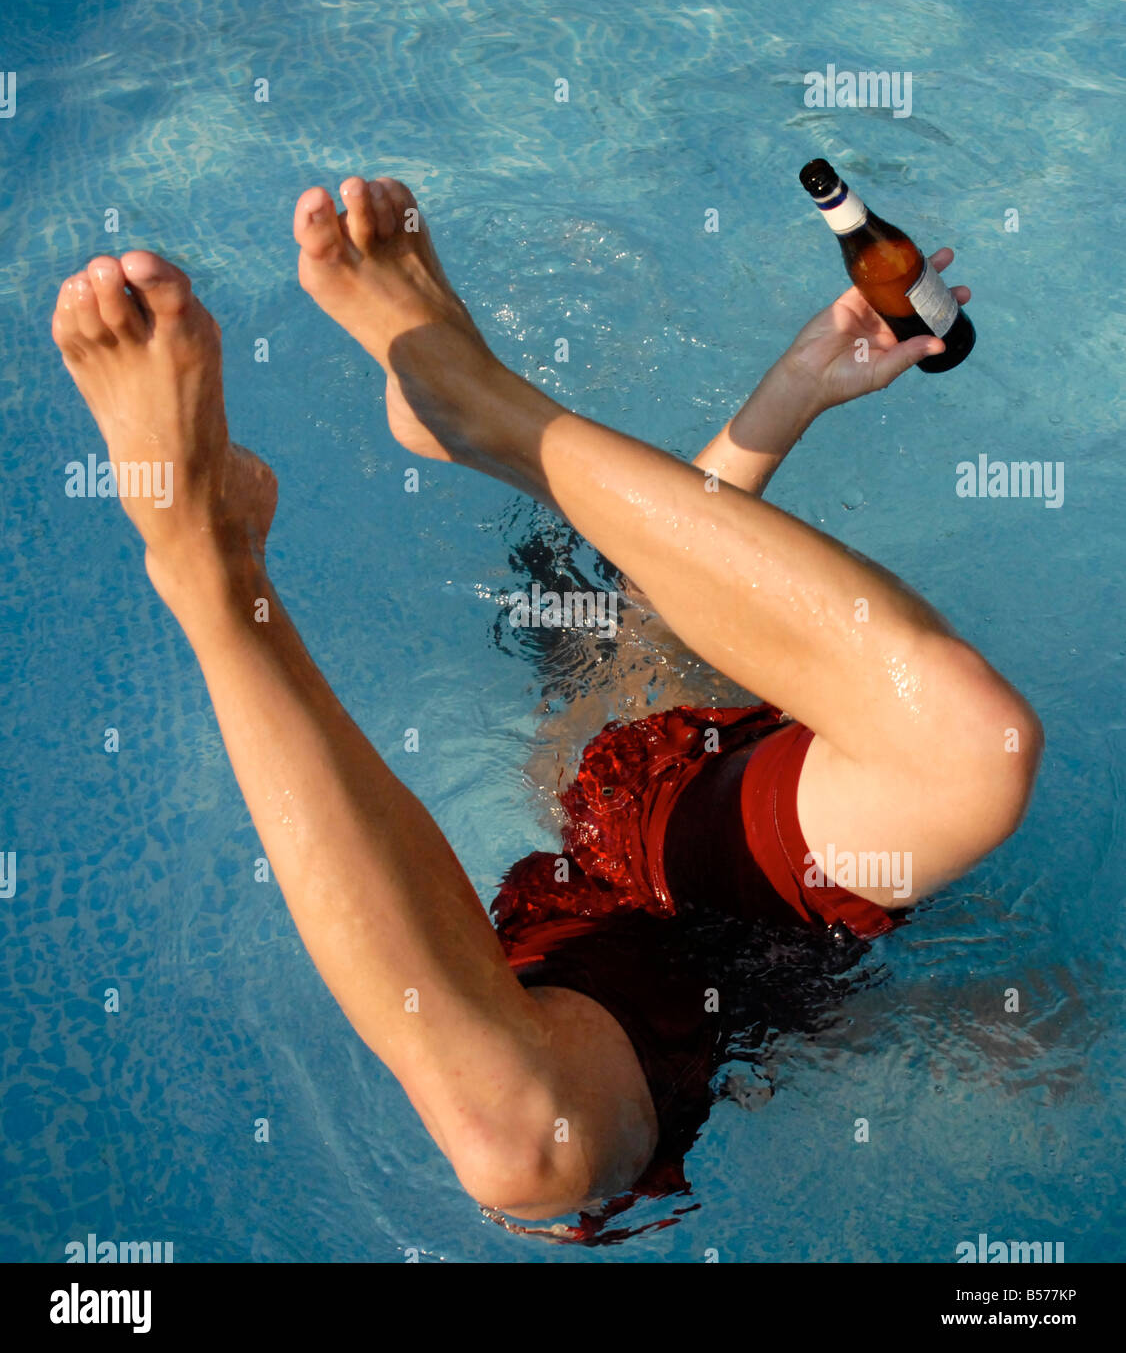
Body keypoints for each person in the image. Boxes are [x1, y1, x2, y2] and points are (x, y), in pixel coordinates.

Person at [51, 174, 1042, 1240]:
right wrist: (790, 391)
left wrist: (788, 395)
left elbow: (655, 610)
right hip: (723, 890)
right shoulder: (665, 763)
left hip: (646, 945)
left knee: (524, 1157)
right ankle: (465, 413)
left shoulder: (619, 776)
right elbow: (663, 611)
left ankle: (222, 560)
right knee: (970, 747)